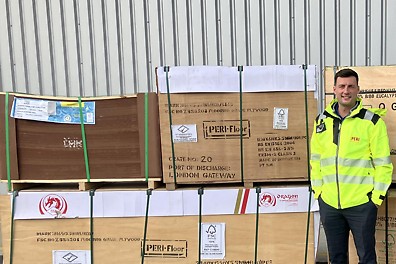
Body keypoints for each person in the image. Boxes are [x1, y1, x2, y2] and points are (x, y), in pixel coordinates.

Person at [310, 68, 393, 264]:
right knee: (336, 258)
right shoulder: (321, 121)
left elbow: (383, 164)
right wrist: (318, 192)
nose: (345, 91)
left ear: (358, 90)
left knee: (366, 258)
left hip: (362, 204)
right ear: (334, 90)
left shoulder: (371, 122)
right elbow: (315, 160)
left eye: (350, 86)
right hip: (329, 203)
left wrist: (375, 199)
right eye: (341, 86)